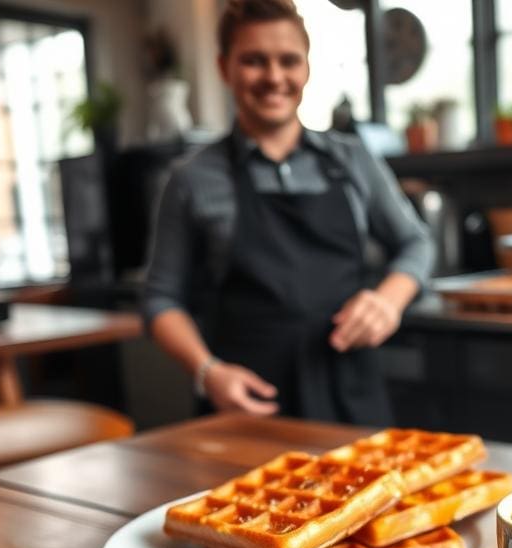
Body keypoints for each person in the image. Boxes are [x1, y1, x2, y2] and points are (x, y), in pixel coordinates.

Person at [142, 0, 433, 425]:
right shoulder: (191, 179)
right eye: (254, 61)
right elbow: (160, 299)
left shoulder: (352, 159)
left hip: (351, 398)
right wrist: (207, 372)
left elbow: (416, 242)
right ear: (225, 69)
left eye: (288, 61)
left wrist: (389, 300)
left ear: (307, 69)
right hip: (248, 407)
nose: (274, 77)